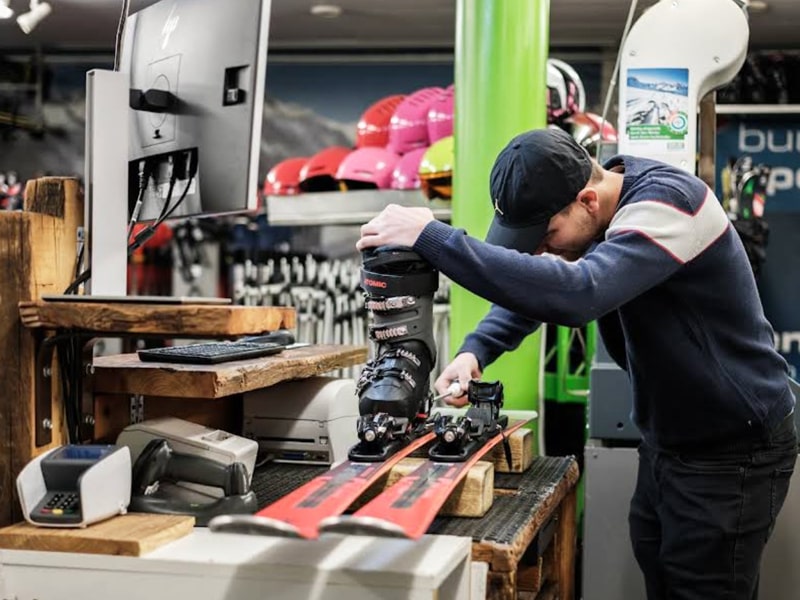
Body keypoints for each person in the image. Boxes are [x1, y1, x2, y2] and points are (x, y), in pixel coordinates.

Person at [356, 127, 797, 600]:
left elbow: (576, 292)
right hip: (672, 439)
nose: (542, 248)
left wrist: (435, 239)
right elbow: (543, 284)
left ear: (587, 200)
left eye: (546, 234)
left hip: (734, 446)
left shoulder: (669, 205)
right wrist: (475, 351)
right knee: (660, 566)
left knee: (702, 589)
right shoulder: (599, 212)